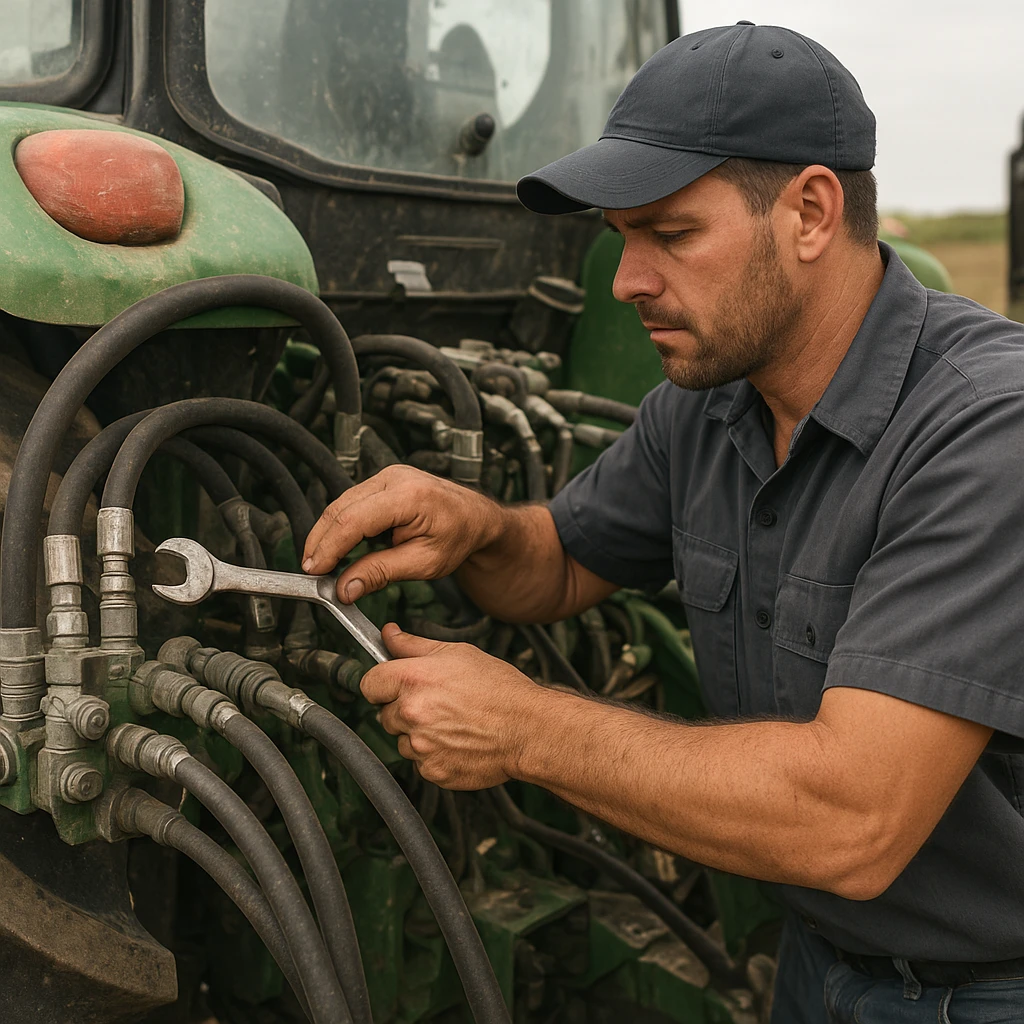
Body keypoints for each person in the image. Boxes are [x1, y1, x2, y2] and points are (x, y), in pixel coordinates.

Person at [301, 22, 1024, 1024]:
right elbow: (555, 568)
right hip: (817, 965)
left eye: (671, 234)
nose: (631, 280)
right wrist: (477, 528)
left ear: (810, 212)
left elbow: (852, 821)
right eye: (620, 238)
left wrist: (521, 727)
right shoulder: (709, 402)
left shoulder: (989, 427)